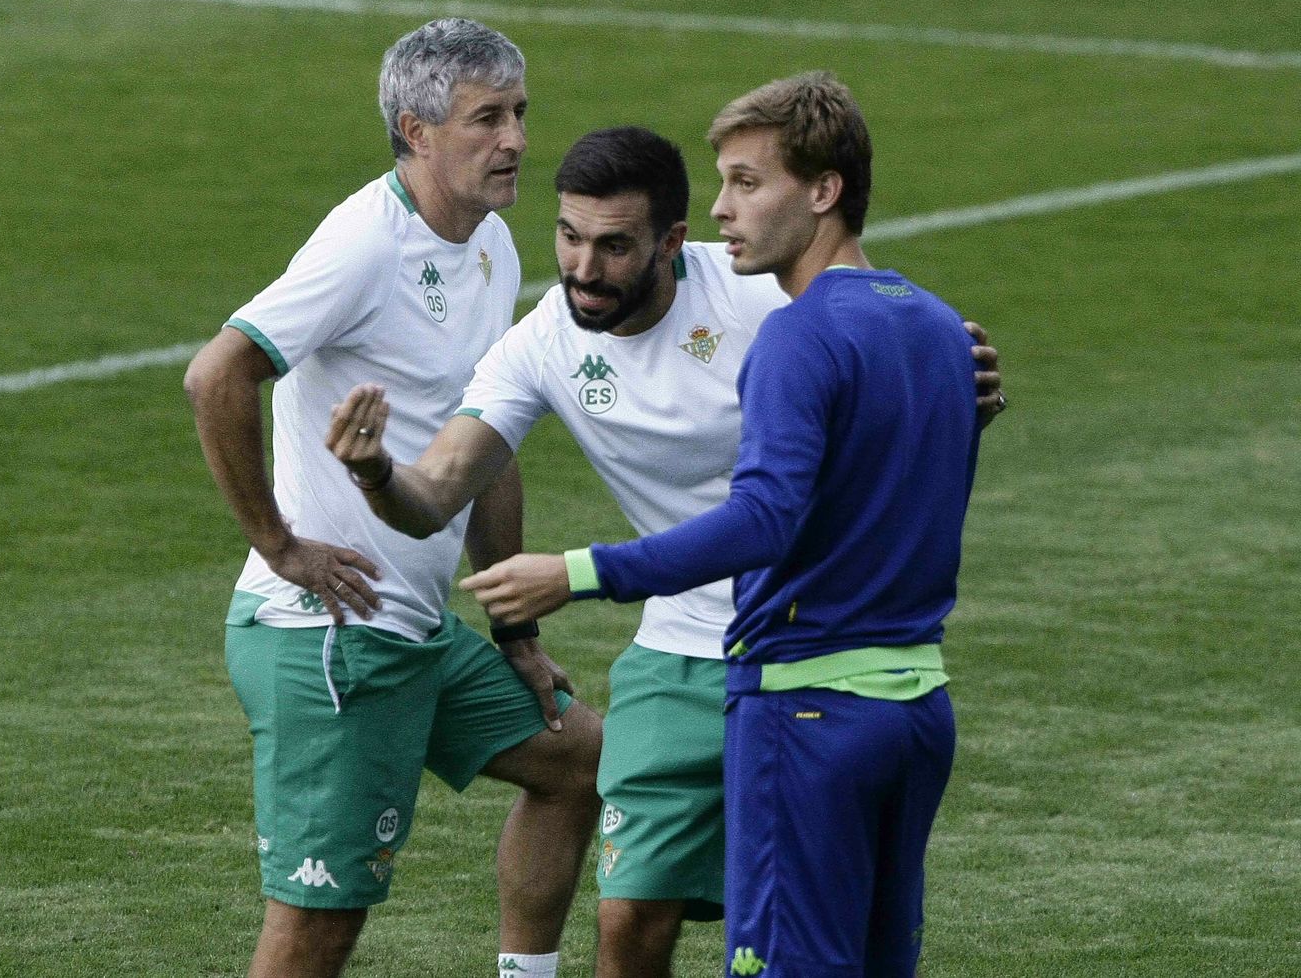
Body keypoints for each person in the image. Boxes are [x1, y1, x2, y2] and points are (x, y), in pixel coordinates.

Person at [328, 119, 1002, 976]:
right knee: (629, 916)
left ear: (672, 242)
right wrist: (376, 473)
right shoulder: (541, 346)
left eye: (613, 247)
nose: (583, 269)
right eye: (569, 238)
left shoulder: (765, 296)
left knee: (797, 936)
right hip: (676, 650)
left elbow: (882, 356)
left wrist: (958, 379)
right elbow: (435, 493)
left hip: (802, 651)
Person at [183, 18, 601, 978]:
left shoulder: (490, 242)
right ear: (416, 131)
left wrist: (517, 635)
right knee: (319, 923)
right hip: (329, 638)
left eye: (521, 113)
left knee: (577, 762)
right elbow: (217, 376)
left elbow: (487, 442)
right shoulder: (363, 247)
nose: (517, 141)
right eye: (486, 119)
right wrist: (281, 544)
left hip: (414, 632)